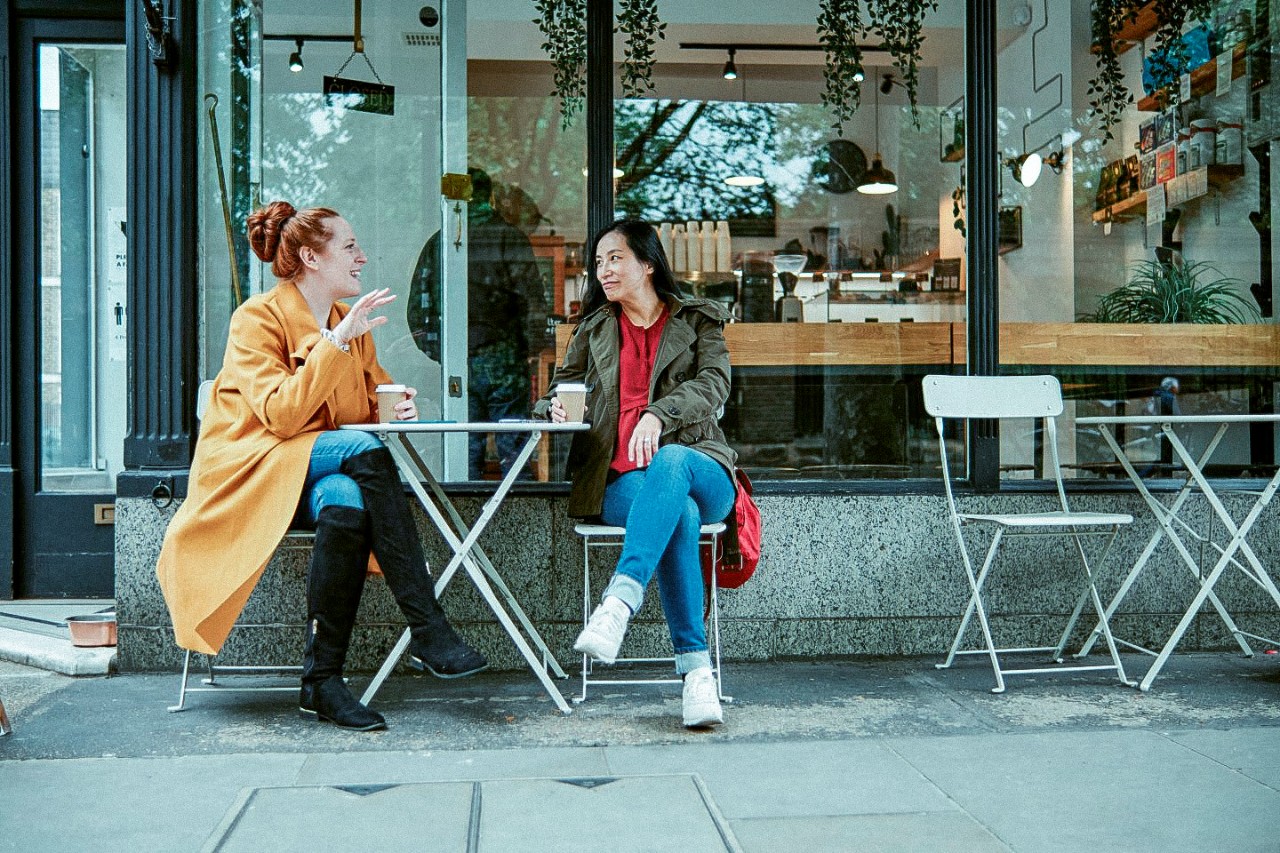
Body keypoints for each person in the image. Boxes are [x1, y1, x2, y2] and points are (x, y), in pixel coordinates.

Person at [156, 201, 487, 732]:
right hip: (251, 472)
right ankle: (427, 626)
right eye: (350, 246)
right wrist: (336, 344)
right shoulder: (257, 319)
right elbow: (283, 416)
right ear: (311, 257)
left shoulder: (346, 323)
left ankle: (322, 682)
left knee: (347, 499)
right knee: (362, 452)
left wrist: (392, 407)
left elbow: (360, 412)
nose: (362, 257)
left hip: (312, 470)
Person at [533, 218, 737, 729]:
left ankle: (619, 602)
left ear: (647, 264)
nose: (603, 270)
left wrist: (658, 415)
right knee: (678, 514)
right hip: (620, 480)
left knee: (672, 464)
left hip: (701, 464)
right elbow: (557, 389)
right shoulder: (595, 328)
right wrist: (552, 408)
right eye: (598, 262)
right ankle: (697, 674)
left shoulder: (698, 320)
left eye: (615, 258)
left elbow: (716, 383)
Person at [407, 167, 548, 479]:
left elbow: (418, 310)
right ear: (490, 196)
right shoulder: (508, 237)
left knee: (462, 454)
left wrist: (441, 352)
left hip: (458, 362)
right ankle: (518, 508)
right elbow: (534, 302)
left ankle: (461, 508)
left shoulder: (440, 243)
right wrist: (528, 350)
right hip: (505, 359)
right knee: (514, 451)